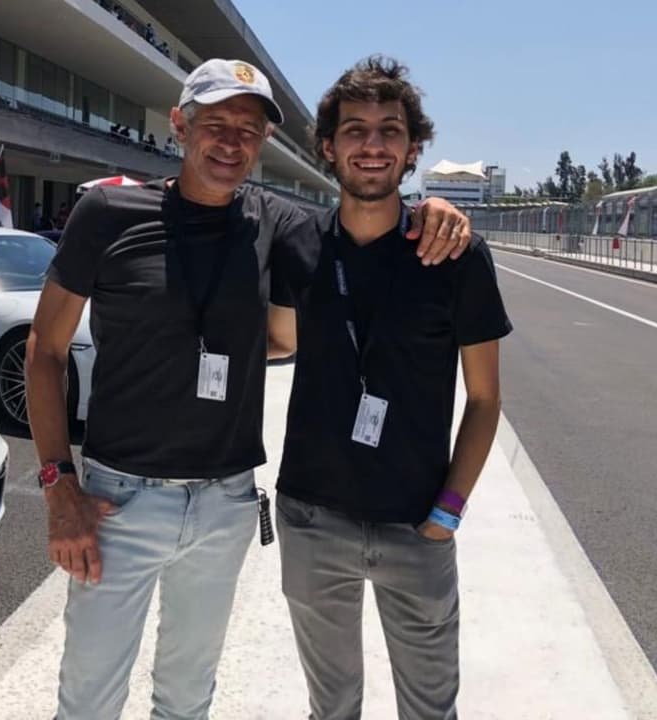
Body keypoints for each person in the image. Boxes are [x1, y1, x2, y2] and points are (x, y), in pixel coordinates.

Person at [25, 57, 470, 720]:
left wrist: (433, 208)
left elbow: (358, 221)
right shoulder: (108, 212)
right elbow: (45, 349)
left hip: (226, 502)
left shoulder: (275, 222)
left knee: (187, 697)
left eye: (249, 130)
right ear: (180, 125)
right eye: (216, 124)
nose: (232, 142)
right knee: (87, 697)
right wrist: (59, 485)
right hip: (117, 499)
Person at [267, 56, 512, 720]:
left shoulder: (456, 255)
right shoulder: (297, 244)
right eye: (355, 130)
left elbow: (485, 399)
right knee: (332, 709)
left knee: (431, 711)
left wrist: (449, 512)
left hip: (416, 524)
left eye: (388, 131)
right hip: (313, 519)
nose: (371, 146)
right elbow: (277, 341)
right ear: (327, 146)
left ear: (411, 150)